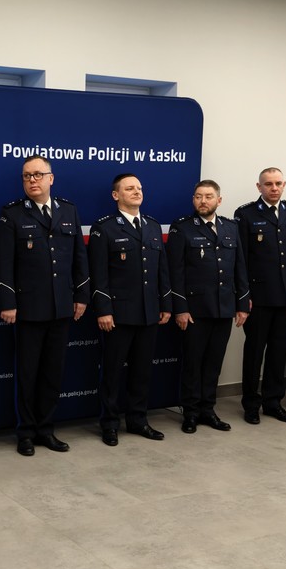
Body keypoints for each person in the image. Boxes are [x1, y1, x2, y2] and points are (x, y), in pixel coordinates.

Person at [0, 155, 89, 455]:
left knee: (52, 373)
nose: (32, 180)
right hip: (28, 308)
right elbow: (4, 263)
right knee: (28, 374)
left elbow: (79, 257)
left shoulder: (68, 211)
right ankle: (25, 432)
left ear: (51, 178)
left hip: (61, 307)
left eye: (37, 174)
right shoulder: (12, 214)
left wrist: (81, 296)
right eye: (26, 176)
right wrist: (8, 302)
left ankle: (46, 429)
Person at [88, 173, 171, 445]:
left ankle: (138, 420)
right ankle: (110, 423)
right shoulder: (105, 228)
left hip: (149, 312)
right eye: (129, 188)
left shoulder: (152, 226)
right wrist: (103, 309)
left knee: (142, 371)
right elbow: (98, 273)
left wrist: (165, 303)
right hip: (118, 314)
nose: (136, 192)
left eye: (139, 188)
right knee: (112, 372)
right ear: (116, 195)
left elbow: (161, 271)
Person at [167, 180, 250, 433]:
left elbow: (240, 267)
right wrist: (181, 308)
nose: (203, 201)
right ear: (193, 200)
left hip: (224, 307)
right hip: (195, 310)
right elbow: (175, 272)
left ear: (219, 200)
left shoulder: (230, 227)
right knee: (193, 363)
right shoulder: (181, 228)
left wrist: (242, 304)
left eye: (209, 196)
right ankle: (191, 412)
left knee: (214, 363)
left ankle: (208, 410)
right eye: (198, 196)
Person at [235, 167, 286, 423]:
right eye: (268, 184)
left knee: (278, 352)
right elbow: (241, 260)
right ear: (259, 187)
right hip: (258, 296)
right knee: (255, 352)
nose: (274, 188)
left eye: (278, 183)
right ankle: (251, 404)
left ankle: (273, 402)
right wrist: (243, 296)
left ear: (284, 184)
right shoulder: (245, 214)